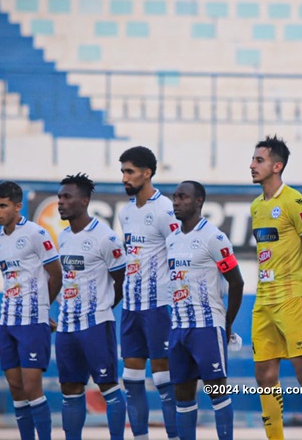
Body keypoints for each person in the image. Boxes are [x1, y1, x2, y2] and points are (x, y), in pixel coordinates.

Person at [249, 135, 302, 440]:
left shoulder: (294, 201)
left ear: (276, 166)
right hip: (264, 298)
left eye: (259, 160)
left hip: (293, 296)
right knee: (264, 376)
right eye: (254, 159)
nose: (252, 165)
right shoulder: (257, 206)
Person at [167, 180, 245, 440]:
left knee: (216, 391)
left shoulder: (214, 237)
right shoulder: (172, 239)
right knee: (183, 395)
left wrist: (227, 323)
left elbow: (237, 281)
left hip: (207, 327)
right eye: (175, 197)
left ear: (199, 201)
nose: (176, 202)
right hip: (178, 329)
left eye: (183, 197)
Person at [55, 173, 127, 440]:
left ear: (84, 201)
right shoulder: (62, 237)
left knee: (108, 386)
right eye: (60, 197)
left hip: (96, 325)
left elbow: (121, 280)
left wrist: (104, 307)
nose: (61, 202)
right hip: (66, 326)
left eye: (67, 197)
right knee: (70, 389)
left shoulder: (105, 237)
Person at [0, 181, 63, 440]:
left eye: (3, 206)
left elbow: (56, 274)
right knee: (16, 388)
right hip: (6, 321)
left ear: (18, 206)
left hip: (33, 321)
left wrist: (44, 308)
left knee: (32, 387)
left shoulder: (36, 234)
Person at [117, 146, 180, 440]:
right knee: (131, 379)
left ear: (147, 173)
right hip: (131, 307)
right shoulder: (125, 212)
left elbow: (180, 255)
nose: (124, 177)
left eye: (129, 171)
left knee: (164, 379)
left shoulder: (166, 209)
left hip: (160, 306)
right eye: (123, 172)